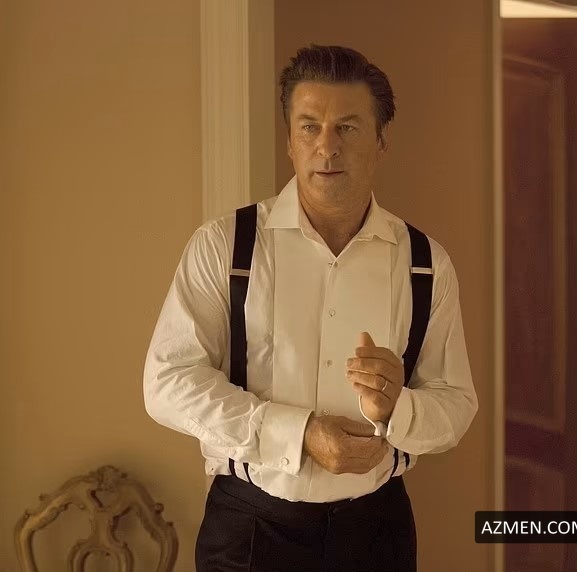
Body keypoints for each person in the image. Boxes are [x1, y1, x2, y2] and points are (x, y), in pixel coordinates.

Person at [143, 44, 478, 572]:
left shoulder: (425, 264)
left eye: (347, 127)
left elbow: (456, 404)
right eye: (309, 127)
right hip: (250, 532)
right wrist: (297, 434)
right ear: (290, 142)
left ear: (381, 140)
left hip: (377, 531)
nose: (327, 147)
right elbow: (167, 382)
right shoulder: (224, 247)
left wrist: (398, 409)